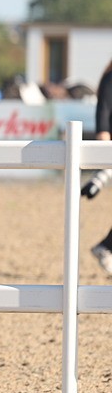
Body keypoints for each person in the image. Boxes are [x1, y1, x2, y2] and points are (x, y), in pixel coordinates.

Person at [86, 60, 112, 273]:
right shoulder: (110, 81)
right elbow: (103, 122)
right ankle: (106, 246)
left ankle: (106, 246)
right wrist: (104, 166)